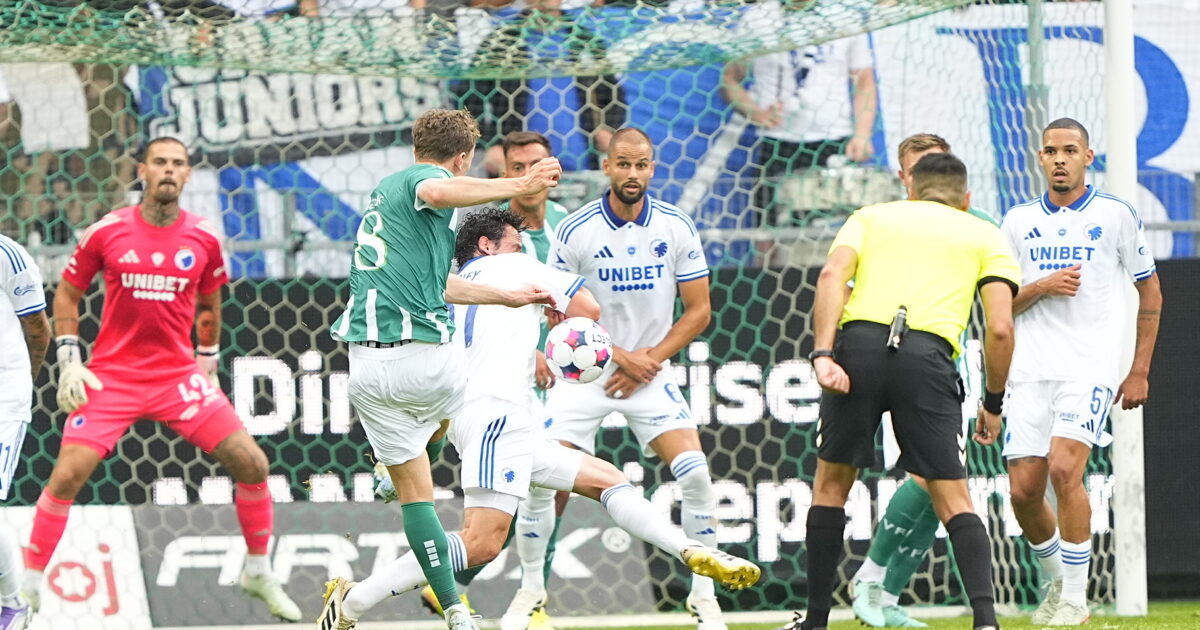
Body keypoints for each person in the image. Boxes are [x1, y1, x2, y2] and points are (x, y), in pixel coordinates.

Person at [321, 207, 759, 630]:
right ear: (488, 245)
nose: (524, 248)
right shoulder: (518, 266)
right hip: (498, 415)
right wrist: (557, 310)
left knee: (606, 479)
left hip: (475, 416)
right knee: (481, 543)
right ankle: (355, 599)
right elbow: (588, 308)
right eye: (516, 241)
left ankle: (687, 548)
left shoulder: (447, 286)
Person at [22, 136, 302, 621]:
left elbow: (211, 303)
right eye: (160, 163)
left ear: (188, 174)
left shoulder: (205, 238)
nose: (168, 170)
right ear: (142, 170)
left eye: (177, 163)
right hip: (112, 377)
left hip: (177, 379)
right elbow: (66, 295)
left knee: (253, 464)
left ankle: (258, 570)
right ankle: (25, 588)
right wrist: (70, 359)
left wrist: (207, 359)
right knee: (66, 475)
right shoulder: (105, 232)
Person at [325, 108, 564, 630]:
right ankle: (453, 596)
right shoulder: (426, 181)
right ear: (462, 158)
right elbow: (438, 191)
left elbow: (442, 286)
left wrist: (504, 297)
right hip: (426, 360)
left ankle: (455, 610)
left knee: (418, 498)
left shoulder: (387, 193)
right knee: (469, 399)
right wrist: (520, 182)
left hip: (365, 368)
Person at [503, 126, 726, 630]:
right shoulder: (576, 229)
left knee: (695, 475)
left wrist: (647, 360)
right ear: (607, 166)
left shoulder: (676, 226)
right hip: (585, 376)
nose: (632, 173)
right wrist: (621, 358)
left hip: (649, 373)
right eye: (623, 164)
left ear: (652, 167)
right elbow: (557, 310)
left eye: (641, 165)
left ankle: (705, 600)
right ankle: (531, 592)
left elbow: (699, 311)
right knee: (542, 483)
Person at [794, 152, 1019, 630]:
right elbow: (1000, 328)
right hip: (927, 356)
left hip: (858, 349)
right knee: (953, 496)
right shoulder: (985, 233)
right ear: (967, 199)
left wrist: (823, 354)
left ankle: (815, 622)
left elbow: (832, 276)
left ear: (910, 188)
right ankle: (985, 621)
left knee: (831, 487)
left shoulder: (872, 216)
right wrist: (993, 402)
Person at [1000, 118, 1161, 626]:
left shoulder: (1115, 215)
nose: (1060, 159)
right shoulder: (1017, 221)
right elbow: (1000, 305)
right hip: (1028, 371)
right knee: (1024, 492)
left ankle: (1076, 598)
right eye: (1051, 151)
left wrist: (1137, 370)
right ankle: (1056, 584)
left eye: (1071, 150)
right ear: (1040, 158)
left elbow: (1151, 294)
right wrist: (1043, 286)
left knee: (1066, 470)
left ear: (1088, 157)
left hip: (1088, 368)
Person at [409, 130, 572, 623]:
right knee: (521, 486)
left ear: (552, 169)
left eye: (537, 164)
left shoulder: (567, 226)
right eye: (516, 166)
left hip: (558, 371)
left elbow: (571, 304)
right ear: (504, 174)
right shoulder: (481, 228)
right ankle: (466, 584)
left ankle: (530, 592)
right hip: (503, 380)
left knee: (557, 485)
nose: (528, 175)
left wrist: (553, 348)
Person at [846, 133, 998, 628]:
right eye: (912, 171)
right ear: (903, 178)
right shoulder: (882, 224)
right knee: (933, 478)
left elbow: (1002, 302)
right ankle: (872, 580)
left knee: (939, 480)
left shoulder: (981, 227)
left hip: (949, 357)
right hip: (890, 359)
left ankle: (883, 594)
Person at [721, 2, 876, 225]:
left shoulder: (844, 13)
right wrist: (755, 112)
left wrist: (862, 134)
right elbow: (729, 80)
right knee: (770, 239)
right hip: (776, 143)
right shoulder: (758, 17)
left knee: (839, 239)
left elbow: (864, 81)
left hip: (835, 141)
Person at [454, 0, 626, 177]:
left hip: (580, 166)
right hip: (520, 168)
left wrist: (607, 129)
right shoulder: (503, 41)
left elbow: (614, 95)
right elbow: (469, 99)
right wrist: (489, 144)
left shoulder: (584, 40)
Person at [0, 234, 50, 630]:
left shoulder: (8, 254)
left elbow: (38, 329)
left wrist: (21, 388)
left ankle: (12, 604)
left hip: (3, 399)